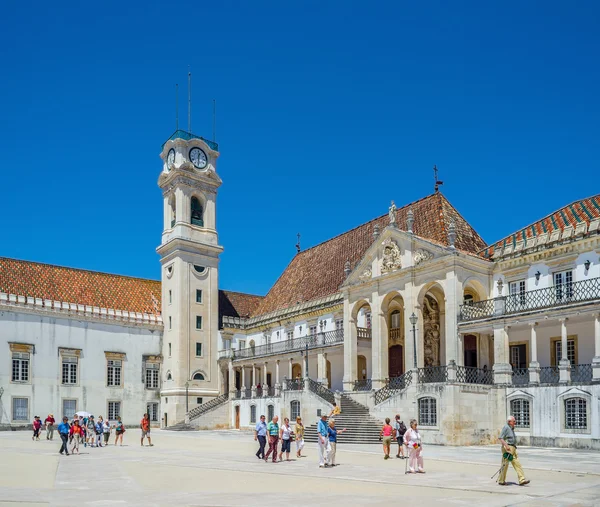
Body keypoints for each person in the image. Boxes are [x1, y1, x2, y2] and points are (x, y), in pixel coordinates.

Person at [498, 416, 530, 486]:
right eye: (514, 421)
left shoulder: (511, 428)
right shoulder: (506, 427)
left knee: (517, 464)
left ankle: (522, 480)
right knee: (505, 464)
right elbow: (500, 438)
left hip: (513, 448)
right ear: (509, 422)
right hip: (508, 448)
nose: (515, 422)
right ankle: (501, 480)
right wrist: (506, 446)